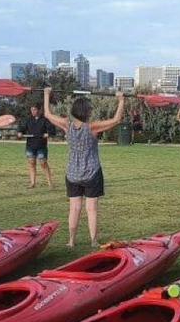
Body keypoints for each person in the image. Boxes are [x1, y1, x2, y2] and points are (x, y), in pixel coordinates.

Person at [43, 87, 125, 248]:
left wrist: (46, 95)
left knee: (74, 209)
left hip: (72, 173)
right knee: (91, 209)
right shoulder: (92, 127)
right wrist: (121, 100)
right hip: (91, 173)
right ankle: (93, 241)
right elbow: (115, 120)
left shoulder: (67, 125)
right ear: (86, 112)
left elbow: (46, 114)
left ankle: (71, 241)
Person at [17, 103, 56, 189]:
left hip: (41, 145)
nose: (33, 112)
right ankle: (32, 183)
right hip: (30, 145)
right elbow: (22, 128)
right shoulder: (28, 119)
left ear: (39, 110)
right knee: (31, 163)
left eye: (34, 110)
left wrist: (48, 134)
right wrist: (20, 132)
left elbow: (52, 130)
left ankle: (50, 183)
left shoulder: (45, 120)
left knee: (43, 163)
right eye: (32, 110)